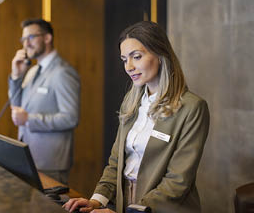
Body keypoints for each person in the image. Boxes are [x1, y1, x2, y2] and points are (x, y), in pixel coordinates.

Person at [63, 21, 209, 213]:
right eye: (124, 59)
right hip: (127, 202)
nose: (129, 66)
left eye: (136, 57)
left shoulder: (192, 107)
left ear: (160, 54)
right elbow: (116, 162)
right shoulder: (130, 102)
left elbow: (177, 182)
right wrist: (96, 200)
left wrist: (133, 211)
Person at [8, 18, 80, 185]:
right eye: (23, 39)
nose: (26, 44)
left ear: (47, 38)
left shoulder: (63, 72)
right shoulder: (32, 71)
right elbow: (16, 105)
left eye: (31, 37)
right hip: (28, 158)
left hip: (50, 163)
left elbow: (70, 118)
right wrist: (16, 76)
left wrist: (29, 119)